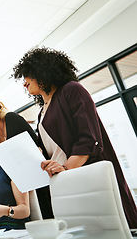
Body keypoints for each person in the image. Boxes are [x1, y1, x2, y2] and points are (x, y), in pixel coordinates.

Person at [12, 46, 137, 229]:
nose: (24, 83)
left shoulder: (72, 90)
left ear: (43, 72)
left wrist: (64, 168)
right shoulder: (41, 112)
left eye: (28, 75)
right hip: (64, 182)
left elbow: (89, 139)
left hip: (86, 176)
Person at [0, 95, 54, 219]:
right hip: (21, 181)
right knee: (37, 214)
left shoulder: (12, 119)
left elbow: (37, 145)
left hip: (39, 170)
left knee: (50, 209)